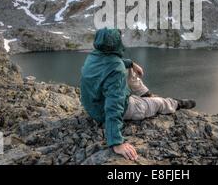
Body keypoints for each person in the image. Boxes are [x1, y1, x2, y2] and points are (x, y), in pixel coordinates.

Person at [80, 28, 196, 161]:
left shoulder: (94, 56)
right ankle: (176, 103)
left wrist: (131, 64)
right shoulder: (116, 68)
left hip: (93, 105)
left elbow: (109, 64)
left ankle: (145, 94)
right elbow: (114, 105)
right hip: (107, 111)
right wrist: (116, 142)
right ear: (116, 43)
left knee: (128, 70)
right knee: (158, 103)